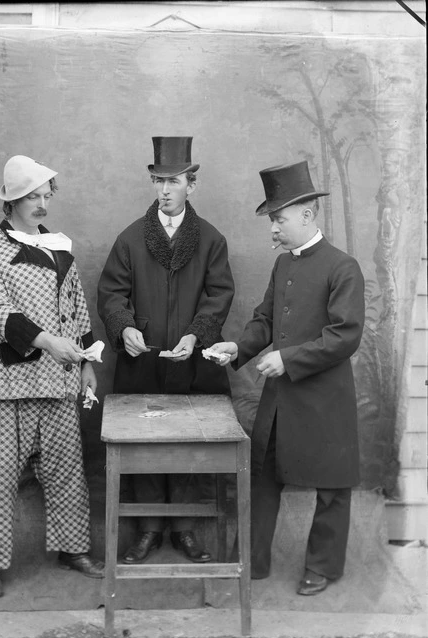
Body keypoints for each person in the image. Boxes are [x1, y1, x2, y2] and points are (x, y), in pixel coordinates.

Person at [208, 160, 365, 595]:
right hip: (281, 398)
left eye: (277, 219)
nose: (273, 229)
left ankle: (323, 566)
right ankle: (252, 561)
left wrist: (289, 359)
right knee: (265, 476)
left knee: (332, 486)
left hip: (325, 398)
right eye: (272, 220)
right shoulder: (282, 267)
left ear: (306, 214)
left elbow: (344, 336)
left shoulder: (343, 267)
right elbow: (264, 319)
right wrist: (238, 348)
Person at [0, 155, 104, 598]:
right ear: (11, 200)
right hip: (6, 385)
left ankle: (72, 549)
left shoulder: (60, 247)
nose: (43, 203)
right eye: (33, 196)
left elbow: (77, 309)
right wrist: (47, 341)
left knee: (67, 470)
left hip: (60, 381)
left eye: (47, 195)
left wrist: (85, 362)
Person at [97, 136, 235, 565]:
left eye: (174, 180)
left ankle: (186, 530)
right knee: (144, 446)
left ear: (191, 184)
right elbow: (111, 295)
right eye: (158, 180)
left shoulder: (211, 240)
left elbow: (219, 296)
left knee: (188, 446)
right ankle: (149, 530)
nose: (165, 189)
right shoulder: (131, 239)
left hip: (193, 365)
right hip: (143, 365)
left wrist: (197, 334)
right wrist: (123, 329)